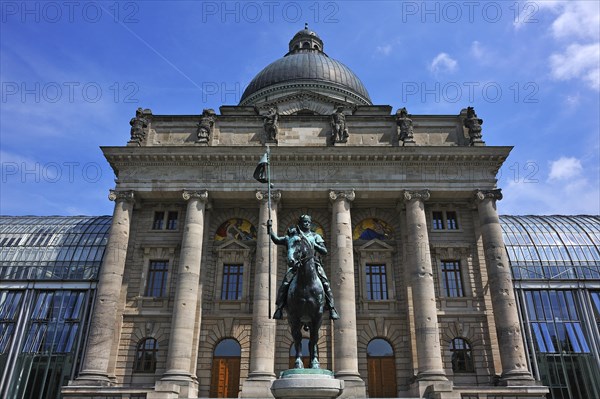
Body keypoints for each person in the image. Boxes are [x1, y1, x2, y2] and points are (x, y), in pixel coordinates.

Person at [268, 215, 340, 320]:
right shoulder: (294, 237)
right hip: (297, 265)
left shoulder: (315, 236)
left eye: (308, 222)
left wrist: (314, 244)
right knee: (285, 283)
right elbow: (277, 240)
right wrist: (270, 229)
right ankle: (279, 307)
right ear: (300, 224)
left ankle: (331, 308)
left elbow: (324, 251)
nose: (306, 224)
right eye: (304, 222)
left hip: (314, 264)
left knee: (325, 283)